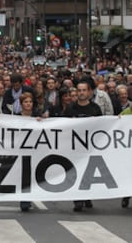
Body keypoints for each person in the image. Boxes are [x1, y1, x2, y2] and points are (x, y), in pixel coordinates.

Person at [64, 80, 102, 212]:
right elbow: (63, 126)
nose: (81, 93)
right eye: (79, 90)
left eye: (84, 90)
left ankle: (87, 196)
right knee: (76, 171)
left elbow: (102, 126)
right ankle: (78, 199)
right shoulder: (70, 108)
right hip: (75, 147)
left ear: (89, 92)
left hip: (90, 147)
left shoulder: (95, 108)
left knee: (88, 172)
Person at [15, 92, 41, 212]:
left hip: (36, 149)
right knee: (24, 175)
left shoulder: (37, 116)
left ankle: (28, 198)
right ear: (21, 104)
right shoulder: (15, 117)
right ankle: (24, 200)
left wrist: (41, 122)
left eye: (30, 102)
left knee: (33, 174)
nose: (28, 104)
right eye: (25, 102)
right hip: (20, 150)